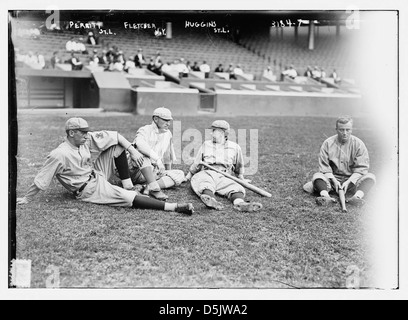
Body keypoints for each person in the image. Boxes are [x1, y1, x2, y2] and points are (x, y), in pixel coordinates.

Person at [16, 117, 194, 215]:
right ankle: (174, 207)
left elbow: (115, 136)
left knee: (116, 146)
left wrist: (132, 150)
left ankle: (129, 185)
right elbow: (41, 180)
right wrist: (27, 198)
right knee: (127, 198)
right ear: (71, 133)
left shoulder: (82, 142)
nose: (87, 135)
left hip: (95, 174)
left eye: (87, 132)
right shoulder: (59, 154)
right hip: (88, 189)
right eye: (83, 133)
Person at [185, 120, 263, 212]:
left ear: (222, 133)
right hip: (207, 173)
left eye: (214, 130)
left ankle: (240, 204)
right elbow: (197, 163)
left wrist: (241, 177)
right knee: (205, 184)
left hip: (224, 175)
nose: (211, 133)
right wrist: (188, 176)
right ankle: (211, 200)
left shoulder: (235, 147)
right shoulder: (206, 144)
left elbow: (239, 165)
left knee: (236, 188)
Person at [303, 116, 376, 207]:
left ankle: (356, 197)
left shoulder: (359, 144)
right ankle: (326, 197)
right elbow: (324, 167)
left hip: (352, 182)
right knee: (317, 176)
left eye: (348, 130)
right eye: (341, 130)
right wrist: (334, 180)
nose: (345, 133)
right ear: (336, 129)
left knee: (370, 177)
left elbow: (361, 168)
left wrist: (349, 181)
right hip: (332, 182)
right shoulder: (328, 143)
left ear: (351, 130)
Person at [118, 107, 186, 201]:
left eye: (169, 121)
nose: (168, 124)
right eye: (165, 120)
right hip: (134, 169)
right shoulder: (145, 130)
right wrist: (157, 160)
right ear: (155, 119)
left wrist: (167, 172)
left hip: (151, 173)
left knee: (179, 174)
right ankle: (155, 189)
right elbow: (140, 145)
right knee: (144, 154)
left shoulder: (168, 134)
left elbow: (167, 154)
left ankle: (146, 187)